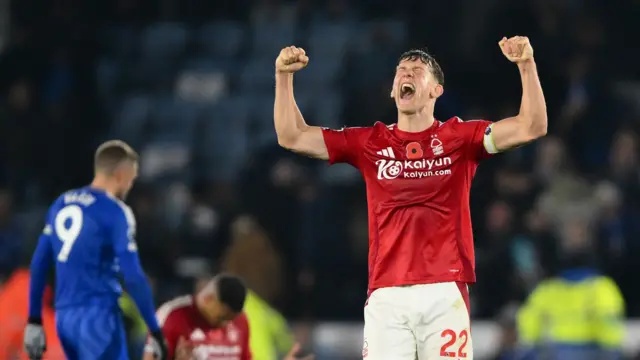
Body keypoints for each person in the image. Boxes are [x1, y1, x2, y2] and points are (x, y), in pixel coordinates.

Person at [273, 36, 547, 359]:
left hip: (444, 292)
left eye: (418, 70)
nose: (406, 74)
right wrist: (283, 77)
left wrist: (526, 65)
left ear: (436, 90)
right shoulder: (370, 142)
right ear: (392, 91)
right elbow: (292, 135)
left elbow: (532, 126)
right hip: (386, 296)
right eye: (401, 70)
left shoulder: (460, 138)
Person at [23, 140, 168, 360]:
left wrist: (34, 319)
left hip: (64, 317)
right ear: (121, 173)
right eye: (132, 179)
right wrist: (154, 329)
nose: (130, 185)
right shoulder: (116, 211)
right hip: (98, 316)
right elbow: (133, 276)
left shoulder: (61, 203)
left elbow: (39, 263)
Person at [143, 273, 311, 360]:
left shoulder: (240, 322)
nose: (226, 325)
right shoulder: (172, 317)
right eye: (222, 317)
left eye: (231, 319)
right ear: (209, 299)